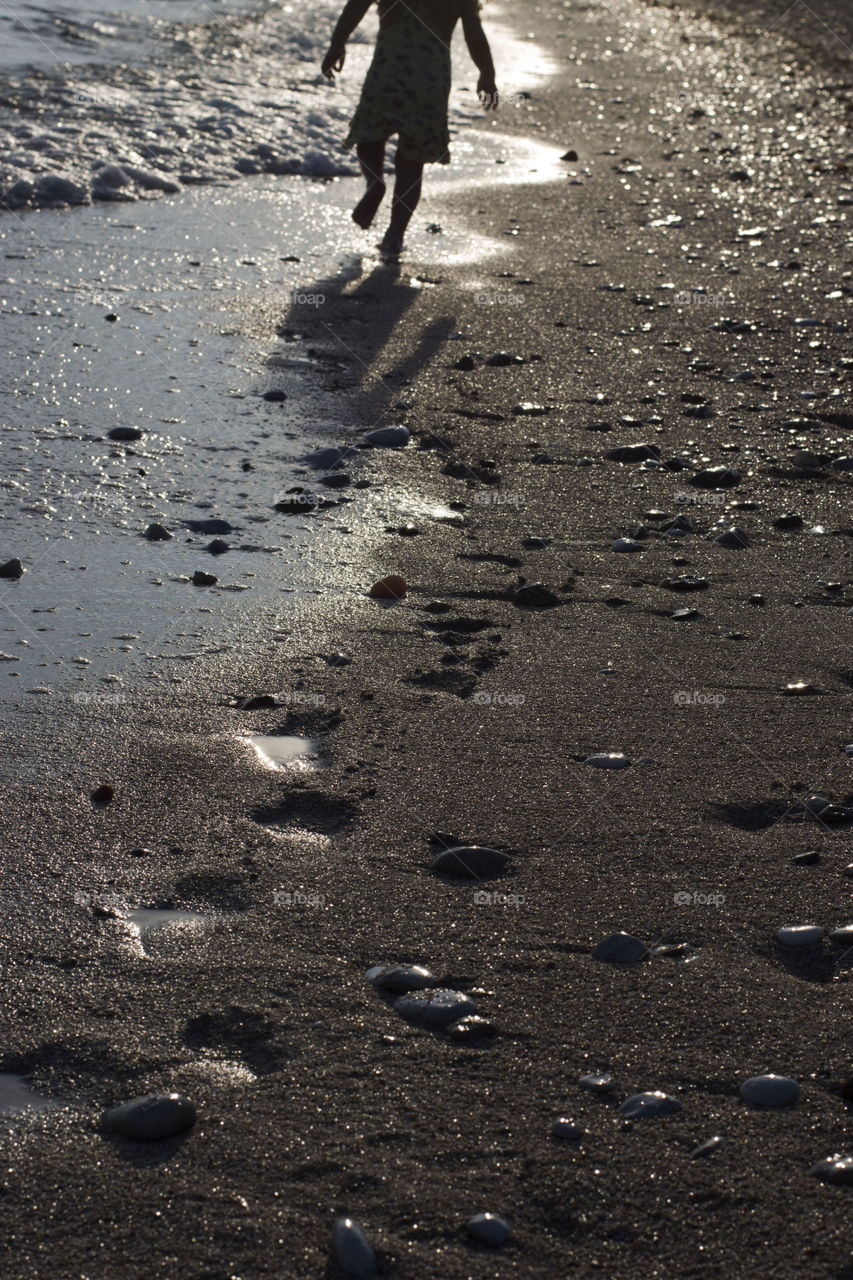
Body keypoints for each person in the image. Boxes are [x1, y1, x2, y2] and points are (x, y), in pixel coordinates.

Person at [322, 0, 497, 255]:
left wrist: (337, 44)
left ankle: (374, 182)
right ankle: (394, 236)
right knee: (412, 161)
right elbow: (474, 31)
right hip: (430, 77)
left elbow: (356, 6)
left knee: (369, 136)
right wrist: (487, 74)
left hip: (388, 68)